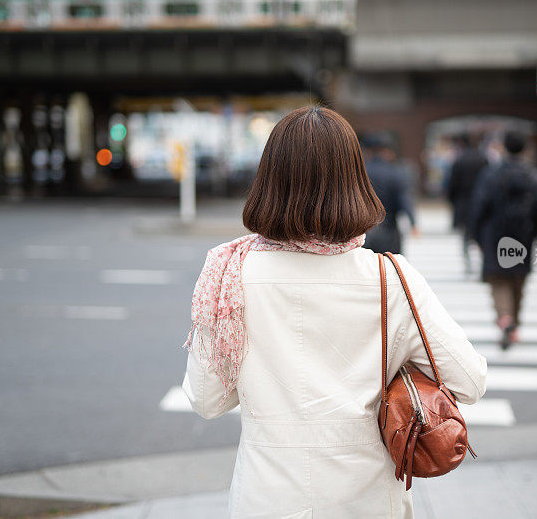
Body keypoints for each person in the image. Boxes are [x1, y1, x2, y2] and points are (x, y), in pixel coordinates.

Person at [181, 106, 487, 518]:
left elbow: (207, 399)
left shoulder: (229, 278)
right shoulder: (391, 278)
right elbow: (469, 381)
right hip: (368, 500)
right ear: (355, 180)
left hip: (267, 498)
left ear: (269, 180)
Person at [469, 131, 537, 350]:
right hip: (523, 237)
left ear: (504, 148)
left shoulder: (491, 174)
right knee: (518, 281)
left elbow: (479, 207)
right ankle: (513, 323)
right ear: (525, 149)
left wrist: (476, 237)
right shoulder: (534, 176)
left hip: (495, 236)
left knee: (498, 280)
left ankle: (504, 318)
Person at [362, 133, 419, 254]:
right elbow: (404, 199)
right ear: (387, 151)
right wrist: (413, 223)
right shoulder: (396, 172)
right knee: (390, 267)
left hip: (364, 229)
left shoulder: (361, 172)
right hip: (389, 228)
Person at [447, 134, 489, 275]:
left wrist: (453, 202)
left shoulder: (459, 161)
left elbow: (452, 185)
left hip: (463, 203)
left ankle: (468, 266)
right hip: (482, 202)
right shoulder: (484, 159)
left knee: (465, 237)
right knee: (482, 236)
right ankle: (484, 264)